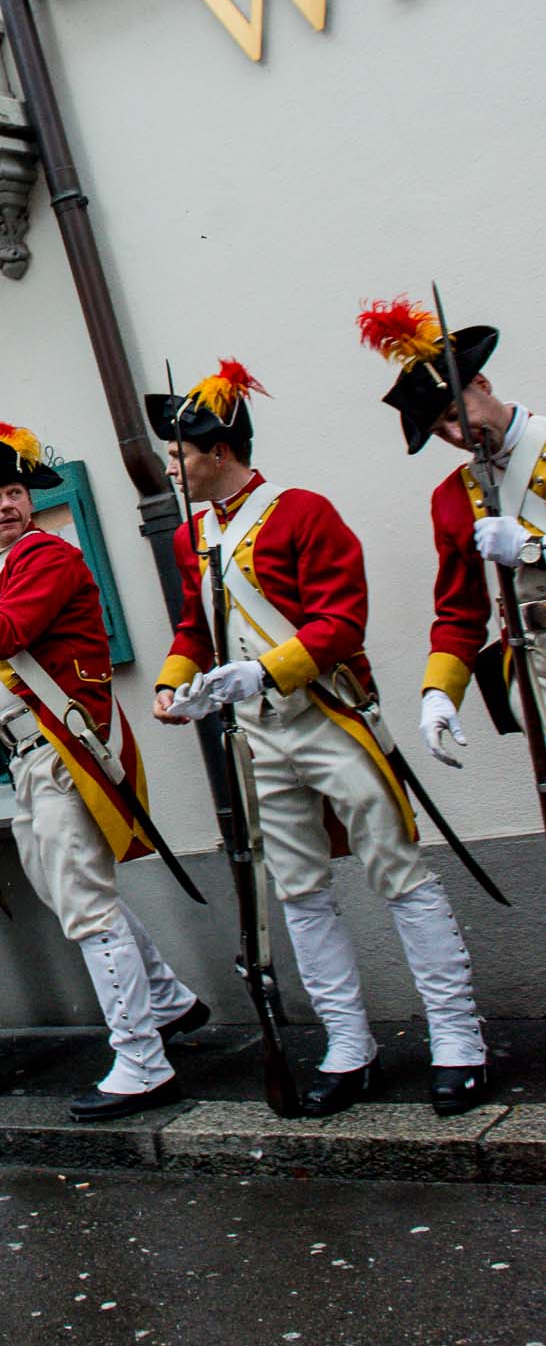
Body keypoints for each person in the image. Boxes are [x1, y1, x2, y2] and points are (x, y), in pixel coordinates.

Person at [148, 359, 488, 1117]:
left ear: (221, 450)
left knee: (400, 873)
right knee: (298, 892)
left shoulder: (302, 512)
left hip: (329, 716)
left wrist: (260, 672)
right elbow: (193, 629)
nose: (172, 464)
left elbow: (340, 623)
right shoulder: (190, 538)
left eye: (180, 451)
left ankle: (458, 1040)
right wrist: (177, 682)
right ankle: (347, 1043)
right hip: (258, 739)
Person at [0, 424, 207, 1121]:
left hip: (67, 747)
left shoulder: (47, 557)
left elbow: (7, 635)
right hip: (26, 755)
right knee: (72, 894)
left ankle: (142, 1057)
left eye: (13, 492)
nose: (6, 505)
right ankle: (171, 999)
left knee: (85, 904)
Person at [358, 299, 546, 766]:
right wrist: (439, 692)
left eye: (454, 412)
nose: (457, 434)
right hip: (536, 667)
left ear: (481, 383)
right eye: (441, 429)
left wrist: (531, 549)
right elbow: (460, 611)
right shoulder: (454, 497)